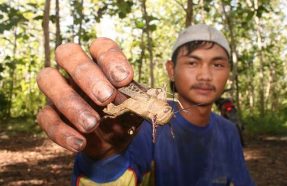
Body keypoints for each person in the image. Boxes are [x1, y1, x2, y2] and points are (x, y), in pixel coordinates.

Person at [36, 24, 255, 186]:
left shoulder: (228, 131)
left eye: (217, 64)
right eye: (192, 62)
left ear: (228, 72)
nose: (205, 75)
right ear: (171, 69)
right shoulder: (138, 128)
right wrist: (103, 159)